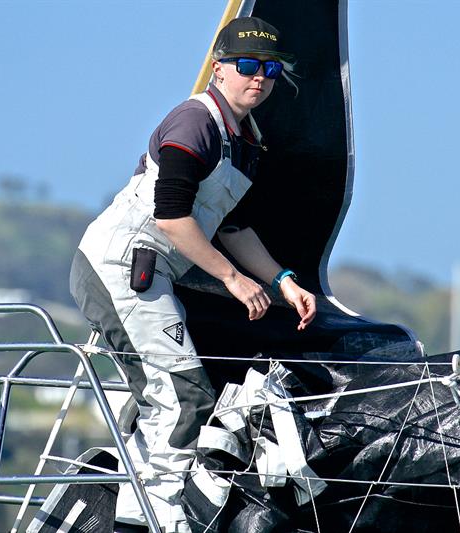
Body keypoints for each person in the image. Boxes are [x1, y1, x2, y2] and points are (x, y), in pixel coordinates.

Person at [69, 16, 316, 533]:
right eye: (247, 65)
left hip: (151, 273)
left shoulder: (247, 139)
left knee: (165, 397)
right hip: (122, 266)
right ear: (219, 69)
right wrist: (232, 280)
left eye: (270, 69)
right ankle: (157, 521)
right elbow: (172, 215)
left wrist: (283, 282)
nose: (259, 78)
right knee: (183, 397)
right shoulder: (196, 121)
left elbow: (234, 226)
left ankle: (135, 515)